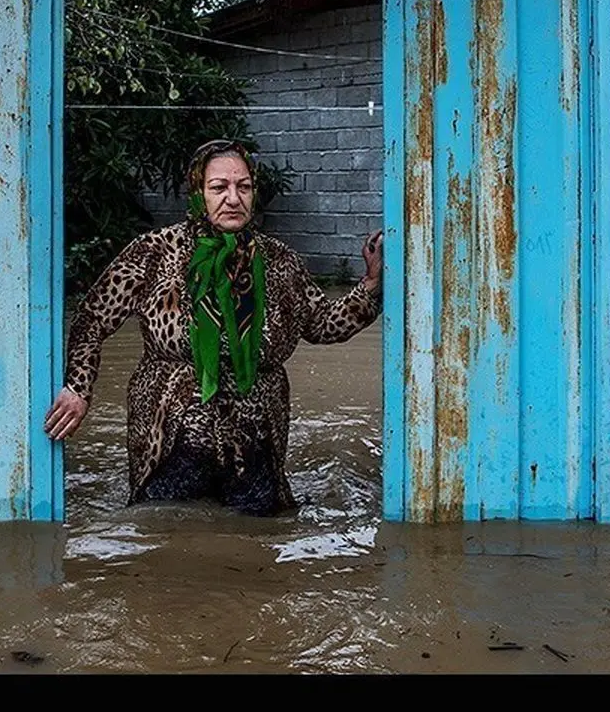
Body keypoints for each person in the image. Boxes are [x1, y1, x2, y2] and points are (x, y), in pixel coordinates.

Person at [44, 139, 384, 516]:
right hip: (170, 437)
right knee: (163, 531)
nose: (233, 198)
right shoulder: (155, 251)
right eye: (219, 187)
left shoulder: (279, 261)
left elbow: (321, 324)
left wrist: (369, 284)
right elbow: (92, 318)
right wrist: (78, 388)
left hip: (255, 441)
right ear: (197, 193)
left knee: (259, 539)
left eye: (244, 187)